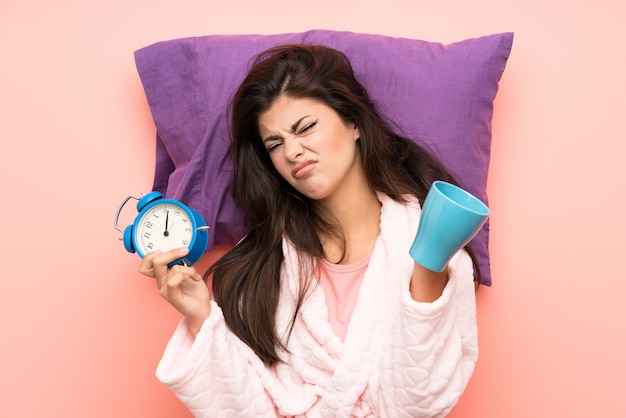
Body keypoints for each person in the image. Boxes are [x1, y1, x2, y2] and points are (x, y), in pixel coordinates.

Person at [139, 44, 480, 417]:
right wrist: (199, 315)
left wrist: (428, 269)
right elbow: (245, 408)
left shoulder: (436, 253)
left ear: (353, 123)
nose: (293, 152)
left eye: (306, 128)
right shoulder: (260, 268)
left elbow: (416, 406)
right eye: (275, 144)